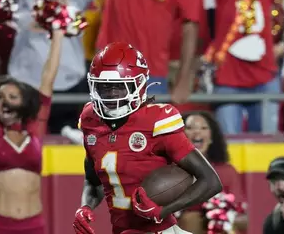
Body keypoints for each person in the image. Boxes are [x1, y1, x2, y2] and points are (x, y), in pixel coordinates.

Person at [73, 42, 223, 234]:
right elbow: (93, 182)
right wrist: (85, 206)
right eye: (104, 87)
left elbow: (211, 180)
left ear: (139, 85)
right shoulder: (90, 120)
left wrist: (163, 211)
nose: (111, 95)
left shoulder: (156, 120)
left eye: (119, 87)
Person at [0, 7, 64, 234]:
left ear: (23, 104)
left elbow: (48, 81)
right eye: (0, 97)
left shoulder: (34, 130)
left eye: (12, 97)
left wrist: (59, 33)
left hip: (35, 226)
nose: (4, 101)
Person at [178, 111, 247, 234]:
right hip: (182, 227)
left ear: (211, 138)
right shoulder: (168, 170)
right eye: (190, 128)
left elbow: (242, 216)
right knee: (191, 219)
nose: (197, 132)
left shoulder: (227, 171)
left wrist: (221, 216)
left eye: (203, 128)